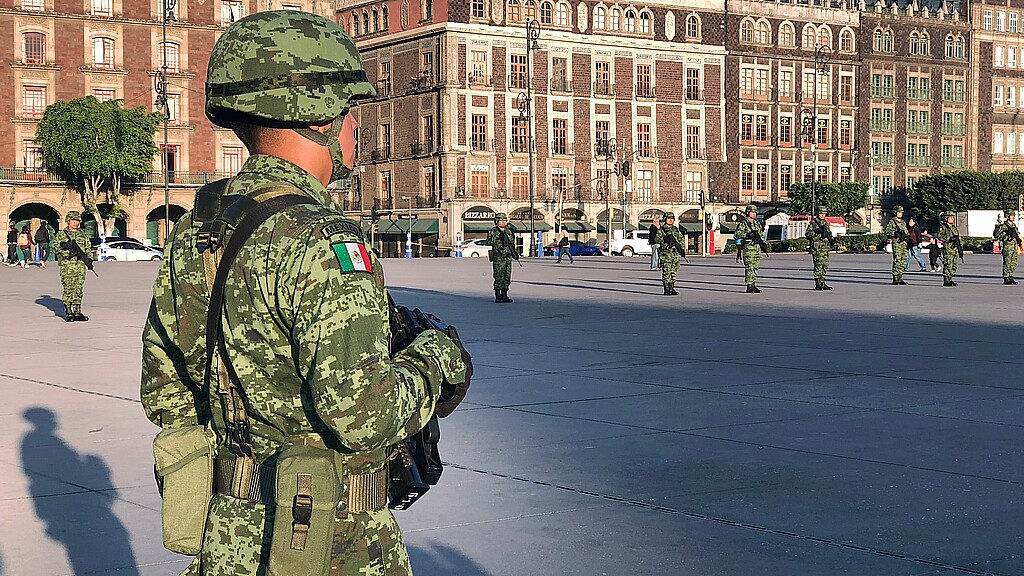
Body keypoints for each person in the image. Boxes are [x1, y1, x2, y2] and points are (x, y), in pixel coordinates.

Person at [139, 11, 471, 576]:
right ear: (316, 115)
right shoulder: (325, 242)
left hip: (230, 535)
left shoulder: (199, 231)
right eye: (348, 109)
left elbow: (165, 391)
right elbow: (361, 414)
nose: (353, 125)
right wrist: (437, 360)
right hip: (329, 545)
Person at [53, 211, 91, 321]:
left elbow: (87, 247)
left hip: (79, 265)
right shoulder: (62, 234)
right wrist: (66, 252)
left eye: (77, 220)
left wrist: (88, 259)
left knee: (78, 289)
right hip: (68, 265)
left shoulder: (82, 234)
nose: (76, 223)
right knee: (68, 288)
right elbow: (55, 247)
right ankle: (68, 312)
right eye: (73, 220)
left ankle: (77, 311)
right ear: (68, 221)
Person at [734, 204, 765, 293]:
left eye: (755, 212)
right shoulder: (743, 224)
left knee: (755, 267)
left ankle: (753, 283)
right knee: (749, 267)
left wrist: (763, 244)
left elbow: (760, 234)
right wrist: (747, 235)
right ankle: (749, 285)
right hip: (748, 248)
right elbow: (737, 234)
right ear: (748, 213)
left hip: (756, 248)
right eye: (752, 212)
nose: (754, 214)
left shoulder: (757, 223)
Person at [487, 212, 516, 302]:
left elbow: (512, 243)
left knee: (507, 276)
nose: (503, 222)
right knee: (498, 276)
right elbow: (488, 242)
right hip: (498, 257)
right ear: (496, 221)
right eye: (501, 220)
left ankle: (505, 294)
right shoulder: (493, 231)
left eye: (505, 220)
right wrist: (497, 237)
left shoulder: (508, 231)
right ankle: (498, 295)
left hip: (508, 257)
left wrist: (514, 253)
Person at [654, 211, 685, 295]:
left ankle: (672, 287)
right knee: (666, 271)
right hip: (666, 253)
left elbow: (681, 239)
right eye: (669, 219)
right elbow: (657, 239)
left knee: (674, 271)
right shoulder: (662, 229)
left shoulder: (675, 229)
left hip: (675, 254)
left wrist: (681, 249)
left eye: (672, 219)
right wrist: (665, 241)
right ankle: (666, 288)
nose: (671, 220)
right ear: (665, 219)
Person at [804, 205, 834, 291]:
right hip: (817, 248)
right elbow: (808, 234)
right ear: (817, 213)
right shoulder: (814, 223)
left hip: (825, 248)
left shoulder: (825, 223)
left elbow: (828, 233)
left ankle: (822, 282)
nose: (822, 215)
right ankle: (818, 283)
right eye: (821, 213)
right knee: (818, 266)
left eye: (824, 213)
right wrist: (816, 232)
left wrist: (831, 240)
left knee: (825, 265)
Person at [884, 205, 910, 285]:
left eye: (901, 212)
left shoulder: (902, 222)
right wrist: (895, 234)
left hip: (903, 243)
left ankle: (900, 277)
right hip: (897, 243)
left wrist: (908, 239)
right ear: (895, 213)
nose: (900, 214)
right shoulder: (892, 222)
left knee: (904, 260)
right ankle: (895, 277)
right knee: (897, 260)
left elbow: (906, 232)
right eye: (899, 212)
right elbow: (887, 231)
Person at [993, 209, 1021, 284]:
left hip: (1014, 246)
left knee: (1013, 262)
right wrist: (1005, 233)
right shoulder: (1004, 226)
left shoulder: (1014, 225)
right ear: (1007, 216)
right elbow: (996, 235)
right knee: (1007, 262)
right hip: (1007, 246)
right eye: (1012, 215)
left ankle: (1011, 276)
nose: (1013, 217)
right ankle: (1006, 277)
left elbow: (1016, 235)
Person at [936, 211, 962, 286]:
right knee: (948, 264)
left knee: (954, 265)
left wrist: (960, 248)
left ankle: (950, 278)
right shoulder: (944, 227)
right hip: (948, 249)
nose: (952, 219)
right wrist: (949, 239)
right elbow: (939, 236)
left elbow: (958, 238)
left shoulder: (954, 228)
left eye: (953, 217)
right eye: (950, 217)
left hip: (955, 249)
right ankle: (946, 280)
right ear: (946, 218)